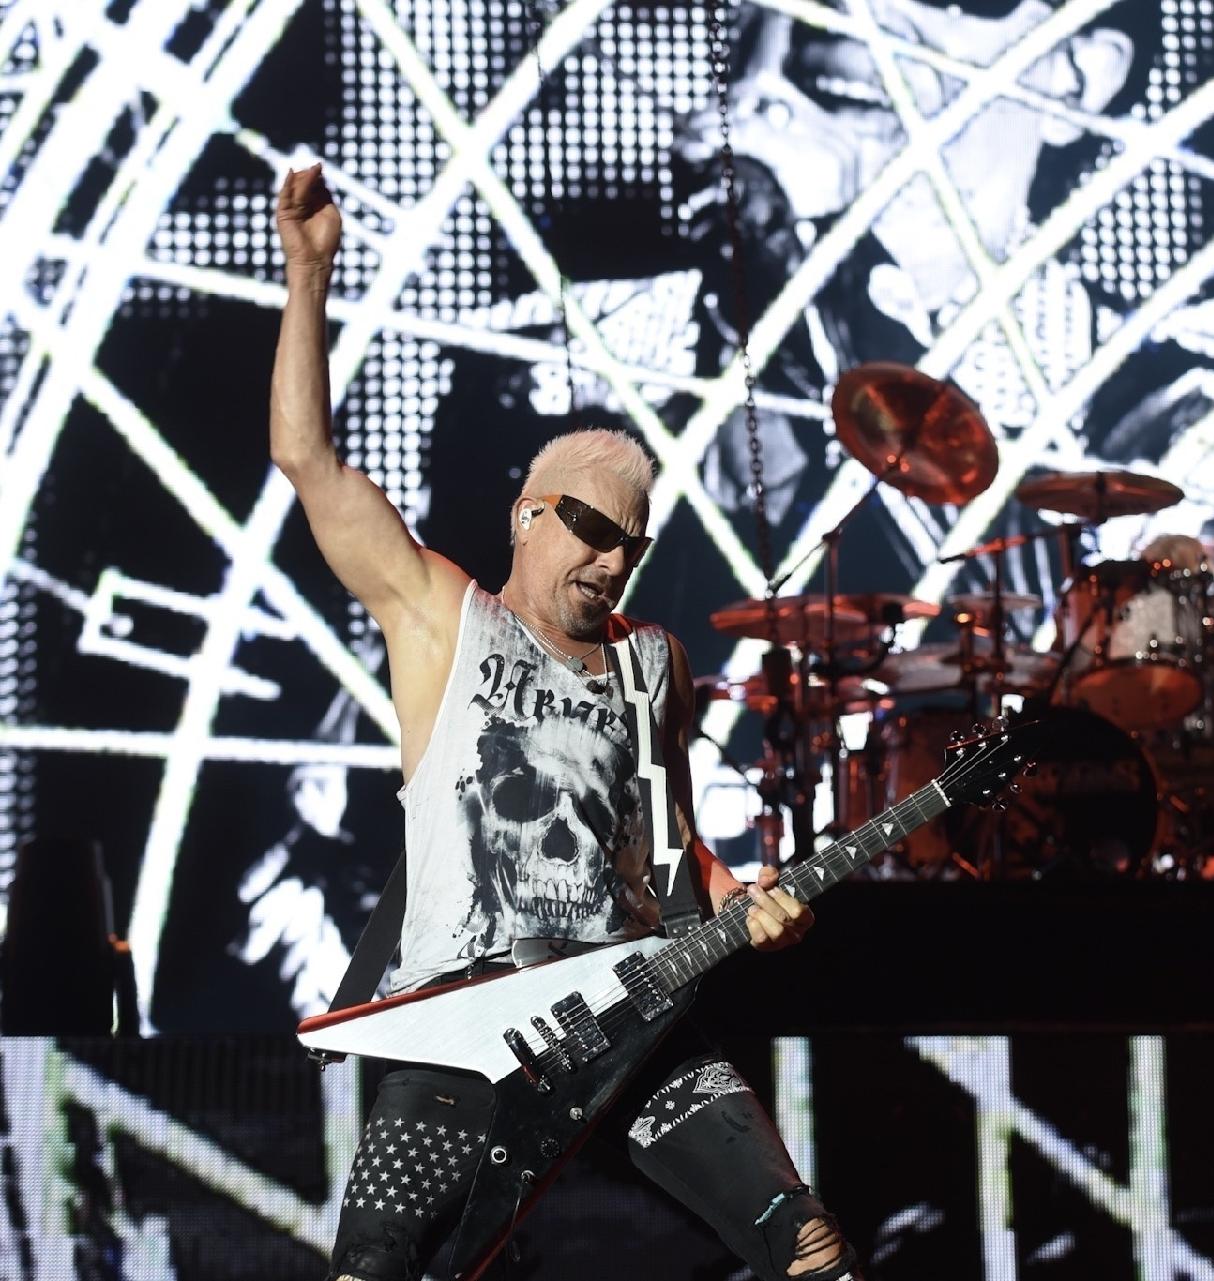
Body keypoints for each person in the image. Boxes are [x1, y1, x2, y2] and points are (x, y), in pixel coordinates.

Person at [272, 164, 860, 1281]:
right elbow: (309, 463)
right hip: (466, 1017)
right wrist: (310, 275)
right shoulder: (445, 619)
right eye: (589, 527)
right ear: (527, 516)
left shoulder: (653, 662)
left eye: (631, 542)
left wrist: (746, 902)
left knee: (810, 1246)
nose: (610, 558)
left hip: (629, 1011)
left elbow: (672, 842)